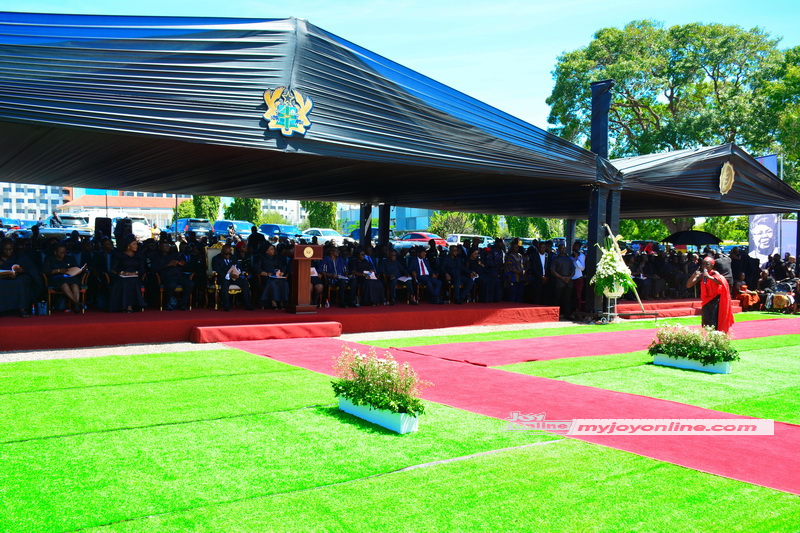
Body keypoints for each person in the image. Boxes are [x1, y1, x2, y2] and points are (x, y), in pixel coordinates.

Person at [686, 256, 734, 333]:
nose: (704, 266)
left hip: (715, 300)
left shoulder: (714, 273)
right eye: (703, 264)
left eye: (707, 264)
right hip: (706, 300)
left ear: (712, 265)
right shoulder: (702, 275)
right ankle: (708, 336)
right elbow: (688, 285)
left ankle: (716, 335)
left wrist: (709, 277)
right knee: (706, 320)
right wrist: (694, 275)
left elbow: (721, 282)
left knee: (713, 320)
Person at [43, 243, 87, 313]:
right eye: (60, 253)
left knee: (75, 284)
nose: (63, 254)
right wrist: (59, 270)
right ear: (55, 252)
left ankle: (76, 305)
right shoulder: (49, 259)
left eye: (64, 252)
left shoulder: (69, 258)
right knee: (64, 284)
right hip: (56, 279)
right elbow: (46, 271)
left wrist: (81, 269)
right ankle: (77, 303)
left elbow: (76, 267)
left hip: (69, 277)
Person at [151, 240, 194, 310]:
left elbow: (184, 265)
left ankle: (183, 303)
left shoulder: (174, 255)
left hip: (178, 275)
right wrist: (167, 265)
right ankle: (167, 303)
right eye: (165, 246)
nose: (167, 247)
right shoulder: (156, 256)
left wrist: (182, 264)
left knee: (190, 284)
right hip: (166, 276)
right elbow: (154, 268)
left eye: (168, 245)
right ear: (160, 247)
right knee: (171, 285)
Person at [108, 235, 146, 313]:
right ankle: (123, 305)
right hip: (122, 276)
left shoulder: (139, 255)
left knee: (132, 281)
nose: (136, 246)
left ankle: (130, 306)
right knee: (124, 282)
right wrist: (122, 272)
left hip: (135, 276)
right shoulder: (119, 255)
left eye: (136, 244)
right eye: (134, 244)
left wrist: (135, 272)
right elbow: (113, 269)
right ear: (128, 245)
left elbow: (142, 269)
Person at [0, 237, 37, 317]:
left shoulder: (19, 256)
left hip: (16, 278)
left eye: (10, 249)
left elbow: (30, 269)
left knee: (21, 282)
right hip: (2, 278)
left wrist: (21, 270)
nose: (8, 251)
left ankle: (22, 309)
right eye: (6, 249)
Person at [211, 243, 254, 311]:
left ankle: (248, 304)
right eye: (226, 254)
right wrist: (228, 275)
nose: (228, 255)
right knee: (225, 283)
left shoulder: (233, 257)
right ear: (222, 253)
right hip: (223, 278)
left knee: (245, 282)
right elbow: (218, 271)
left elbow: (239, 267)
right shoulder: (216, 259)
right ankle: (226, 305)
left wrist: (238, 272)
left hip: (234, 277)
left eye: (229, 254)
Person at [256, 242, 290, 310]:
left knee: (284, 283)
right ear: (266, 251)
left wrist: (282, 272)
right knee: (272, 283)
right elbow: (257, 268)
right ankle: (273, 301)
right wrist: (266, 274)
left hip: (277, 275)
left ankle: (281, 302)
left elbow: (282, 267)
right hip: (267, 276)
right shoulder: (261, 257)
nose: (273, 251)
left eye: (273, 249)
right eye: (271, 249)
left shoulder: (277, 257)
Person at [550, 244, 575, 318]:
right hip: (559, 281)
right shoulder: (556, 259)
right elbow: (552, 270)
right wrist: (561, 277)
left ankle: (567, 314)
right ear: (558, 249)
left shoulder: (569, 259)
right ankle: (555, 315)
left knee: (567, 299)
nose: (563, 250)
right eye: (561, 248)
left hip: (568, 282)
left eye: (564, 248)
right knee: (557, 299)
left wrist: (569, 277)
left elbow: (573, 270)